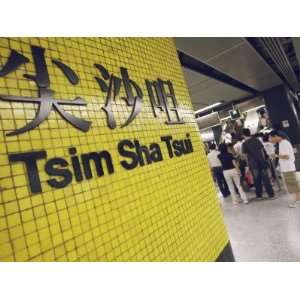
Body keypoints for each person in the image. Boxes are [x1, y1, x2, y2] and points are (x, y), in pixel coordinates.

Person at [242, 128, 275, 200]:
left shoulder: (244, 144)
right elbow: (262, 151)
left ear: (243, 135)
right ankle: (271, 195)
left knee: (257, 180)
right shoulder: (257, 140)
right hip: (262, 162)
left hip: (253, 164)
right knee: (266, 179)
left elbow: (245, 156)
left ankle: (259, 196)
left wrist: (248, 165)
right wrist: (263, 160)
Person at [270, 131, 300, 208]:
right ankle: (297, 199)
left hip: (288, 168)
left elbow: (286, 156)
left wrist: (276, 155)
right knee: (292, 185)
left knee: (294, 185)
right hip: (286, 168)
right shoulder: (281, 143)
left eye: (271, 137)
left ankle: (298, 200)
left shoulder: (284, 143)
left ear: (276, 136)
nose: (271, 139)